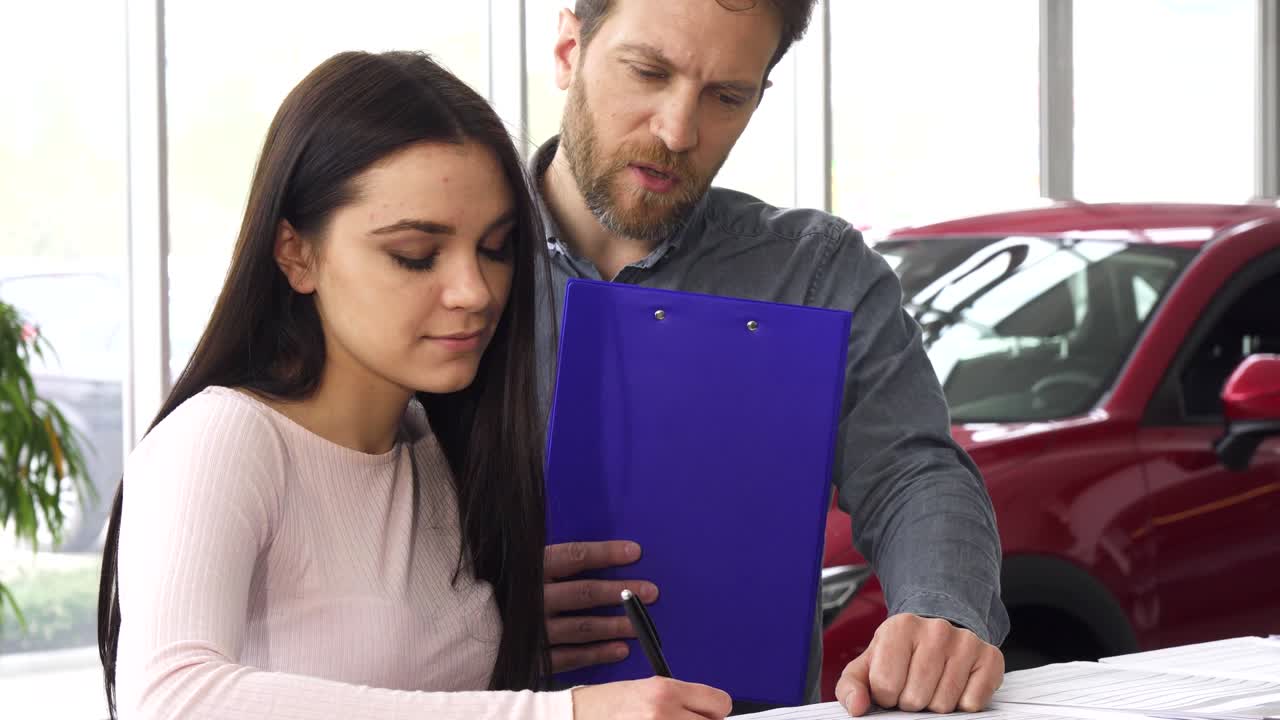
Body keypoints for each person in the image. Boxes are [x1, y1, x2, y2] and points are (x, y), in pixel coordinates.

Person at [96, 50, 733, 720]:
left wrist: (510, 625)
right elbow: (169, 698)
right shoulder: (223, 437)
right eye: (414, 255)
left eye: (495, 247)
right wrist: (557, 714)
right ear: (295, 252)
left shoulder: (431, 443)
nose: (475, 292)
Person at [531, 1, 1010, 715]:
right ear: (570, 49)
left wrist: (942, 612)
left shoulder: (816, 272)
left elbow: (912, 471)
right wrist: (479, 612)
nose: (677, 131)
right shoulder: (436, 256)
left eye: (728, 96)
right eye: (648, 72)